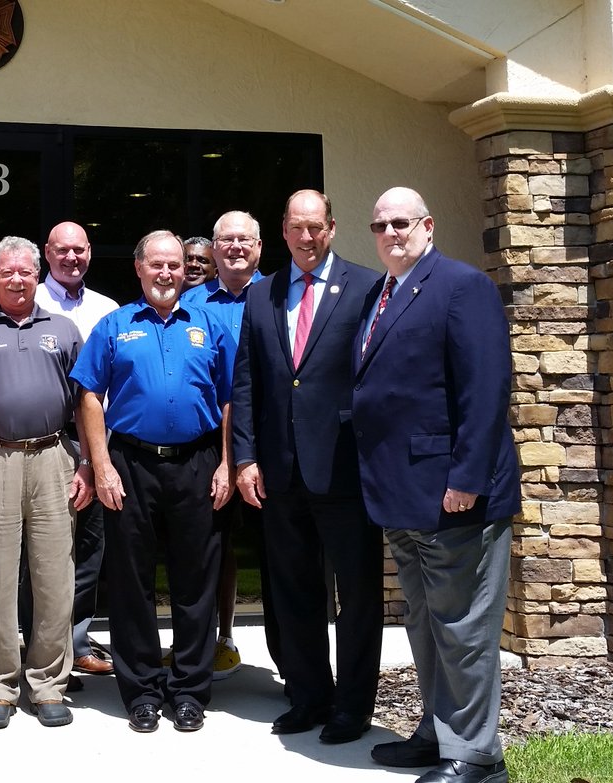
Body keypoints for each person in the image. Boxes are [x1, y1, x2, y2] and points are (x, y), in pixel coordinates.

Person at [355, 187, 519, 783]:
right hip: (403, 495)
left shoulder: (461, 285)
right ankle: (438, 731)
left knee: (464, 628)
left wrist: (468, 478)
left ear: (427, 225)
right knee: (425, 624)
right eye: (380, 226)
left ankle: (477, 757)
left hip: (455, 494)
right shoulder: (381, 293)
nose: (390, 234)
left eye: (401, 223)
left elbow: (486, 389)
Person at [232, 190, 385, 742]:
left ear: (332, 228)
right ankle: (308, 697)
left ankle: (352, 707)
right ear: (283, 231)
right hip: (281, 471)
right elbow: (246, 382)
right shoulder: (262, 294)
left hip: (345, 468)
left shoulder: (366, 287)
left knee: (357, 594)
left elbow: (378, 376)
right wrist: (245, 457)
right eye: (296, 227)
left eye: (315, 227)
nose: (305, 237)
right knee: (293, 592)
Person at [71, 230, 235, 734]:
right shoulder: (115, 325)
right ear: (139, 269)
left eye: (175, 265)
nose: (167, 273)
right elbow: (89, 395)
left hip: (198, 462)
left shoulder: (208, 324)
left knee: (196, 582)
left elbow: (231, 397)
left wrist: (228, 463)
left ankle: (189, 691)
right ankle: (141, 691)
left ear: (185, 271)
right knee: (130, 583)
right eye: (157, 264)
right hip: (130, 464)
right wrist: (101, 466)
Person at [0, 236, 92, 730]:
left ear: (37, 276)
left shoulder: (65, 330)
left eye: (25, 271)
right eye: (7, 272)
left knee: (54, 576)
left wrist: (88, 464)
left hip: (53, 458)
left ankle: (48, 684)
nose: (16, 280)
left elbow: (85, 404)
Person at [179, 212, 267, 680]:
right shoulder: (190, 302)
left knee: (277, 550)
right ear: (214, 249)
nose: (234, 247)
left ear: (259, 246)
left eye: (244, 239)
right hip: (209, 439)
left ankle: (290, 660)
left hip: (270, 439)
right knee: (210, 541)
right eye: (226, 240)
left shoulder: (279, 294)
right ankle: (205, 642)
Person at [32, 221, 119, 679]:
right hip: (44, 440)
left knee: (89, 548)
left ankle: (75, 641)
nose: (71, 258)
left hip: (99, 442)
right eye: (62, 250)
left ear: (89, 253)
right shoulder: (29, 300)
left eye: (79, 250)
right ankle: (35, 646)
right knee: (39, 550)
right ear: (47, 253)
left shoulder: (108, 309)